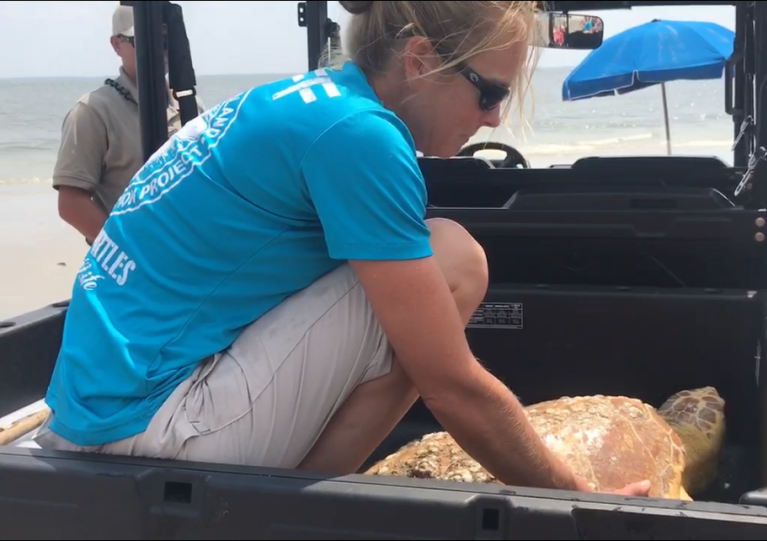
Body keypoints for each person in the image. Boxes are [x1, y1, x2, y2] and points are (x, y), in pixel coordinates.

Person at [35, 0, 652, 498]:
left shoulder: (303, 102)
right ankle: (294, 503)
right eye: (489, 93)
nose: (493, 120)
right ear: (418, 61)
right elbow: (451, 386)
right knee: (456, 259)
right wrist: (581, 503)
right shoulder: (361, 136)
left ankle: (300, 490)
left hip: (89, 419)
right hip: (154, 434)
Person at [52, 4, 203, 244]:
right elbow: (71, 203)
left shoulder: (189, 105)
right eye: (145, 40)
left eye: (166, 41)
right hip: (133, 266)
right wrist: (131, 251)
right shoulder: (93, 111)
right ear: (116, 45)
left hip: (188, 254)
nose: (160, 51)